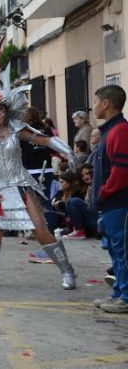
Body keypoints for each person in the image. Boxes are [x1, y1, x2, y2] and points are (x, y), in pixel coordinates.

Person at [0, 42, 78, 290]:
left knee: (41, 231)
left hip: (21, 185)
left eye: (0, 108)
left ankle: (67, 270)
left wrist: (65, 148)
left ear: (6, 111)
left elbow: (43, 138)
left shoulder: (17, 129)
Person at [90, 84, 128, 313]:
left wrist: (103, 192)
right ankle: (118, 293)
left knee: (122, 251)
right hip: (110, 204)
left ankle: (125, 297)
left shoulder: (120, 131)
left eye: (96, 101)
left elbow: (121, 172)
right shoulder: (111, 130)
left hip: (119, 203)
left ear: (106, 103)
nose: (93, 106)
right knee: (115, 251)